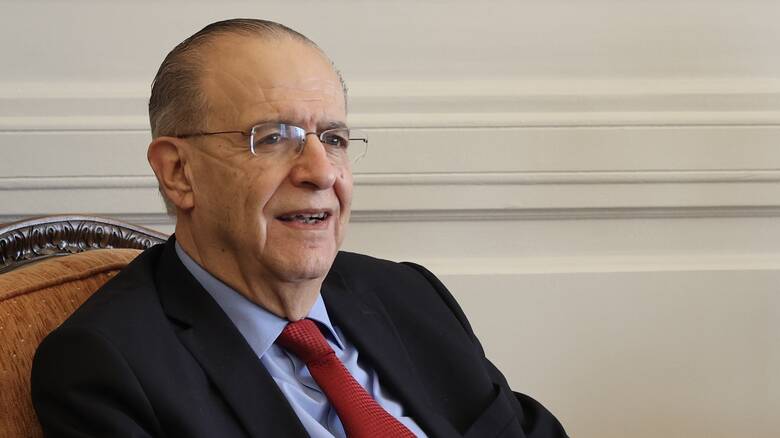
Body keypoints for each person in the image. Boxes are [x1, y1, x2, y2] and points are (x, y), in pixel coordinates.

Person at [31, 19, 567, 438]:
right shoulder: (107, 366)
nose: (321, 172)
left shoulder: (410, 295)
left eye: (333, 138)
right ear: (179, 173)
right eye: (273, 138)